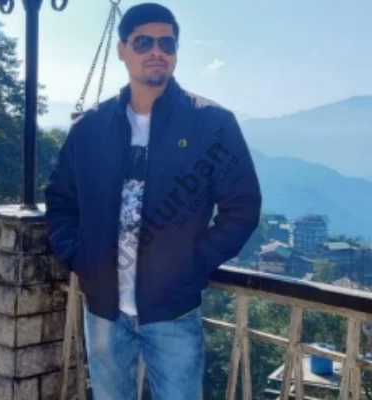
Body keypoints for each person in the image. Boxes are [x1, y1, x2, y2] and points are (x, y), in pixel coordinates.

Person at [44, 3, 262, 399]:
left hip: (173, 310)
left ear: (176, 51)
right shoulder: (90, 128)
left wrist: (192, 264)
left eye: (167, 43)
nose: (156, 51)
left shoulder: (212, 123)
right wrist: (79, 257)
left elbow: (242, 208)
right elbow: (61, 200)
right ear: (122, 50)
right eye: (143, 42)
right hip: (103, 309)